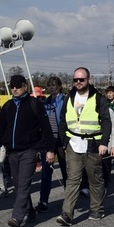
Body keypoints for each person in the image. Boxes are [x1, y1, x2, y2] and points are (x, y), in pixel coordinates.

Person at [0, 75, 56, 227]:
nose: (14, 88)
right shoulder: (8, 106)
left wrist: (50, 149)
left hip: (29, 150)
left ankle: (17, 216)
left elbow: (46, 127)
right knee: (18, 184)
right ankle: (31, 212)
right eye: (12, 86)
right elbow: (0, 127)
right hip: (12, 152)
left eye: (18, 86)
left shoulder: (35, 104)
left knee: (24, 183)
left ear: (25, 86)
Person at [56, 67, 111, 226]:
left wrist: (103, 143)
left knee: (95, 178)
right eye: (75, 80)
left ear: (89, 79)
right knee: (72, 179)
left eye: (81, 79)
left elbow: (106, 121)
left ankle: (97, 209)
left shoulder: (98, 98)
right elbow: (62, 121)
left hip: (92, 143)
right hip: (73, 143)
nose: (78, 82)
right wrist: (64, 142)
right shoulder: (69, 97)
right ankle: (67, 214)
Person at [34, 77, 67, 213]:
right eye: (49, 85)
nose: (51, 87)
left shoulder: (65, 101)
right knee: (46, 172)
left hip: (62, 140)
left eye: (54, 85)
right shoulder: (45, 102)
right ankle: (43, 201)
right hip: (48, 140)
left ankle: (70, 199)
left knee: (66, 171)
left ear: (59, 86)